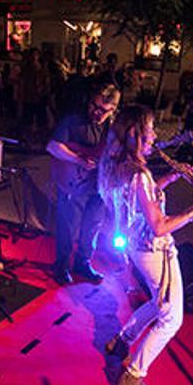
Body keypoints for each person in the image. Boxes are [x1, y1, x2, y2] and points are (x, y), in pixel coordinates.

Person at [99, 105, 193, 385]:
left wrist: (167, 180)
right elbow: (160, 225)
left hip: (138, 247)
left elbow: (137, 201)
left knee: (157, 302)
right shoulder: (139, 174)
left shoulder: (117, 165)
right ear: (136, 134)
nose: (154, 136)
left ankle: (120, 342)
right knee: (172, 318)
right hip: (154, 250)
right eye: (150, 129)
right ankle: (133, 374)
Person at [47, 83, 121, 285]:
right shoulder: (73, 120)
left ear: (113, 109)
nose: (96, 112)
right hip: (74, 182)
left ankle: (83, 263)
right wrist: (78, 160)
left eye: (103, 110)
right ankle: (61, 267)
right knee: (68, 229)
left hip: (98, 185)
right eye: (93, 106)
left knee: (92, 227)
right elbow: (53, 146)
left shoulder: (114, 127)